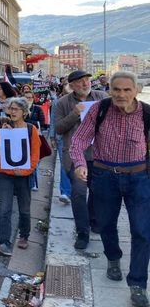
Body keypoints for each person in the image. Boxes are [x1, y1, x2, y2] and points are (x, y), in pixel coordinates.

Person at [71, 72, 150, 307]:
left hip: (139, 177)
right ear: (109, 90)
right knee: (105, 224)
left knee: (142, 231)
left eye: (127, 90)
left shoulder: (147, 113)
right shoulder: (99, 109)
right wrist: (80, 164)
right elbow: (79, 140)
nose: (121, 94)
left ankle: (137, 283)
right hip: (104, 176)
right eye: (116, 89)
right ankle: (113, 258)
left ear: (136, 91)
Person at [54, 70, 108, 249]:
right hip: (75, 156)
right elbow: (59, 128)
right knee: (78, 193)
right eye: (81, 82)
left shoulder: (102, 97)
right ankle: (82, 232)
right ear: (72, 86)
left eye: (87, 80)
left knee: (97, 191)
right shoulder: (62, 103)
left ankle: (93, 220)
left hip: (99, 154)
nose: (86, 84)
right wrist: (75, 114)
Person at [0, 97, 41, 256]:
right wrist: (1, 134)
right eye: (11, 109)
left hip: (23, 175)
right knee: (5, 209)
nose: (13, 112)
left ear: (24, 112)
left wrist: (25, 171)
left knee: (24, 208)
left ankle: (24, 235)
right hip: (4, 174)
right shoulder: (4, 125)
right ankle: (4, 242)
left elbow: (35, 155)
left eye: (16, 109)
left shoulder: (31, 129)